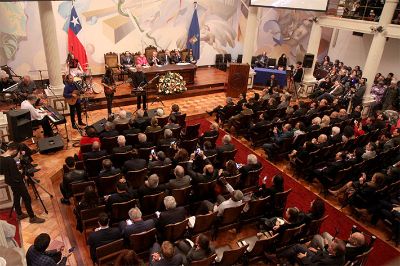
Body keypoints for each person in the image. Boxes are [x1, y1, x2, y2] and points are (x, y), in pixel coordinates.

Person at [0, 143, 45, 223]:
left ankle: (19, 214)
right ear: (14, 150)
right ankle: (32, 217)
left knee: (16, 196)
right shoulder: (10, 160)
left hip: (10, 181)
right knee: (27, 198)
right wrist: (22, 174)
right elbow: (15, 174)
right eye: (16, 152)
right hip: (17, 182)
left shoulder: (1, 157)